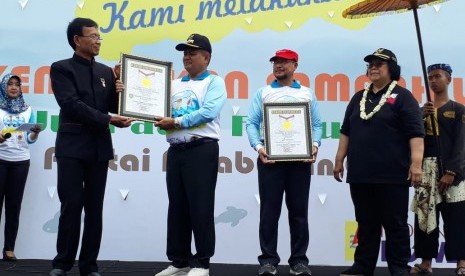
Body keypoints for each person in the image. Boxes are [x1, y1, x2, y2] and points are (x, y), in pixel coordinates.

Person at [49, 18, 133, 276]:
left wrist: (121, 92)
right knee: (71, 205)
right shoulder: (61, 69)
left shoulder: (106, 72)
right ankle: (62, 264)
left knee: (94, 209)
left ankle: (89, 265)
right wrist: (108, 119)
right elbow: (71, 104)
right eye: (93, 36)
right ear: (77, 39)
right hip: (72, 148)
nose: (98, 40)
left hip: (98, 149)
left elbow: (111, 108)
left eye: (99, 36)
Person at [333, 48, 424, 276]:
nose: (373, 67)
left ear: (391, 69)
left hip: (393, 175)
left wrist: (416, 164)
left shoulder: (403, 97)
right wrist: (338, 160)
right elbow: (346, 132)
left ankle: (399, 267)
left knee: (396, 224)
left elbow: (416, 133)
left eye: (379, 64)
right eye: (370, 64)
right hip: (361, 174)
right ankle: (363, 266)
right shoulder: (358, 98)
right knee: (365, 222)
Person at [153, 33, 226, 276]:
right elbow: (154, 106)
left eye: (192, 53)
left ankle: (202, 262)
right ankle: (179, 260)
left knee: (200, 206)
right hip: (176, 150)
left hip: (201, 149)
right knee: (177, 206)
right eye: (184, 52)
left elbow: (208, 111)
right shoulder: (174, 84)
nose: (187, 57)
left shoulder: (215, 82)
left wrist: (176, 120)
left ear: (206, 57)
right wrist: (124, 90)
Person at [246, 49, 322, 276]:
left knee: (299, 212)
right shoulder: (264, 93)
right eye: (276, 62)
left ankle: (299, 261)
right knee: (269, 212)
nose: (279, 66)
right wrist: (259, 148)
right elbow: (251, 123)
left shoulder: (307, 94)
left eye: (284, 62)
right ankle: (268, 260)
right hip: (270, 160)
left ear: (295, 65)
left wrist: (315, 145)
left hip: (300, 160)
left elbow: (317, 125)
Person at [410, 64, 465, 275]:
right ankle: (425, 262)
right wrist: (420, 117)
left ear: (449, 79)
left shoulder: (458, 109)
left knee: (458, 217)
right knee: (424, 216)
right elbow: (413, 139)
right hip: (426, 169)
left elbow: (462, 143)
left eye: (438, 76)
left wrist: (452, 171)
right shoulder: (422, 110)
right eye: (430, 77)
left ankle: (462, 262)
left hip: (454, 173)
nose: (433, 80)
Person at [0, 74, 42, 261]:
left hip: (21, 161)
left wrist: (34, 134)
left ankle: (9, 248)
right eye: (10, 84)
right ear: (3, 86)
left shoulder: (28, 110)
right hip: (0, 159)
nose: (14, 87)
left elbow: (29, 140)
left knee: (14, 206)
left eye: (17, 84)